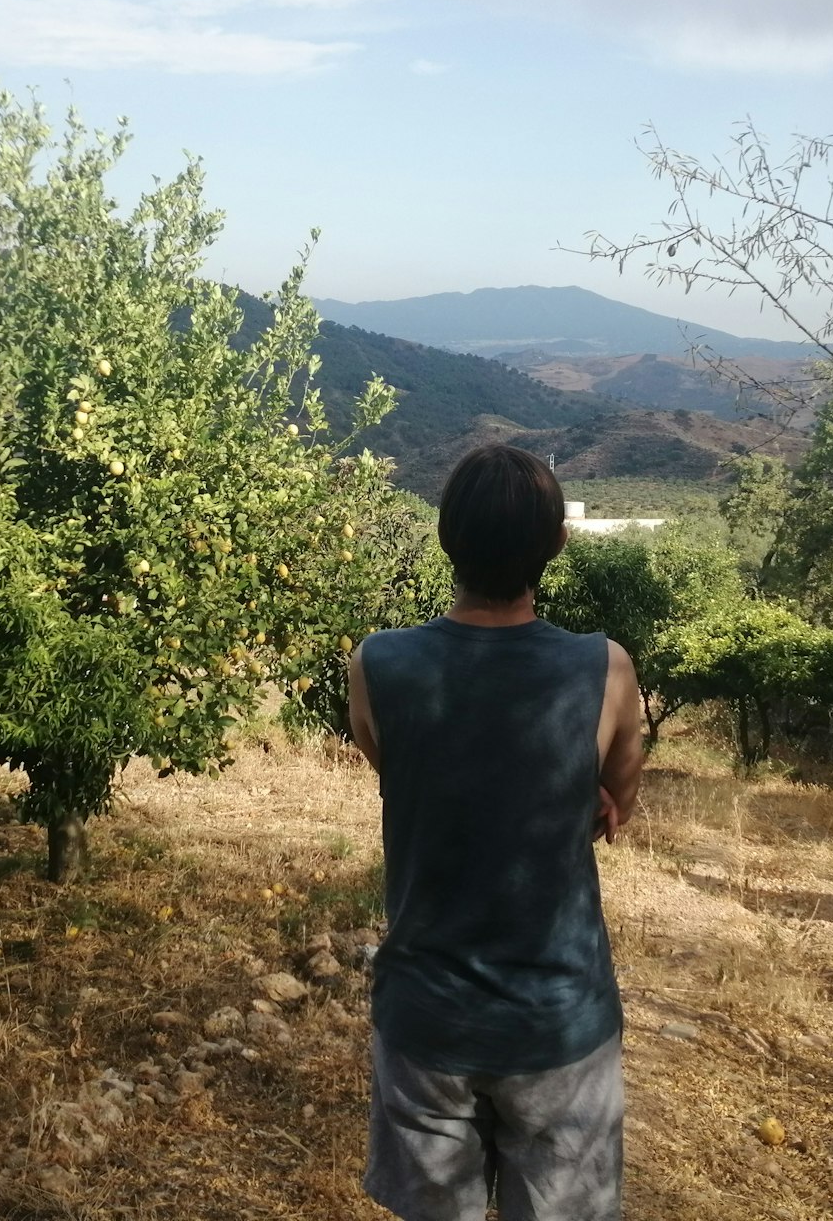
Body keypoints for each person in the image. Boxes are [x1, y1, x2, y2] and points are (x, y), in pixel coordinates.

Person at [346, 443, 645, 1221]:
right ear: (557, 543)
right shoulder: (604, 670)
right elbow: (620, 794)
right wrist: (587, 798)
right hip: (558, 1021)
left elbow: (402, 769)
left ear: (447, 538)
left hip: (426, 1015)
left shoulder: (377, 663)